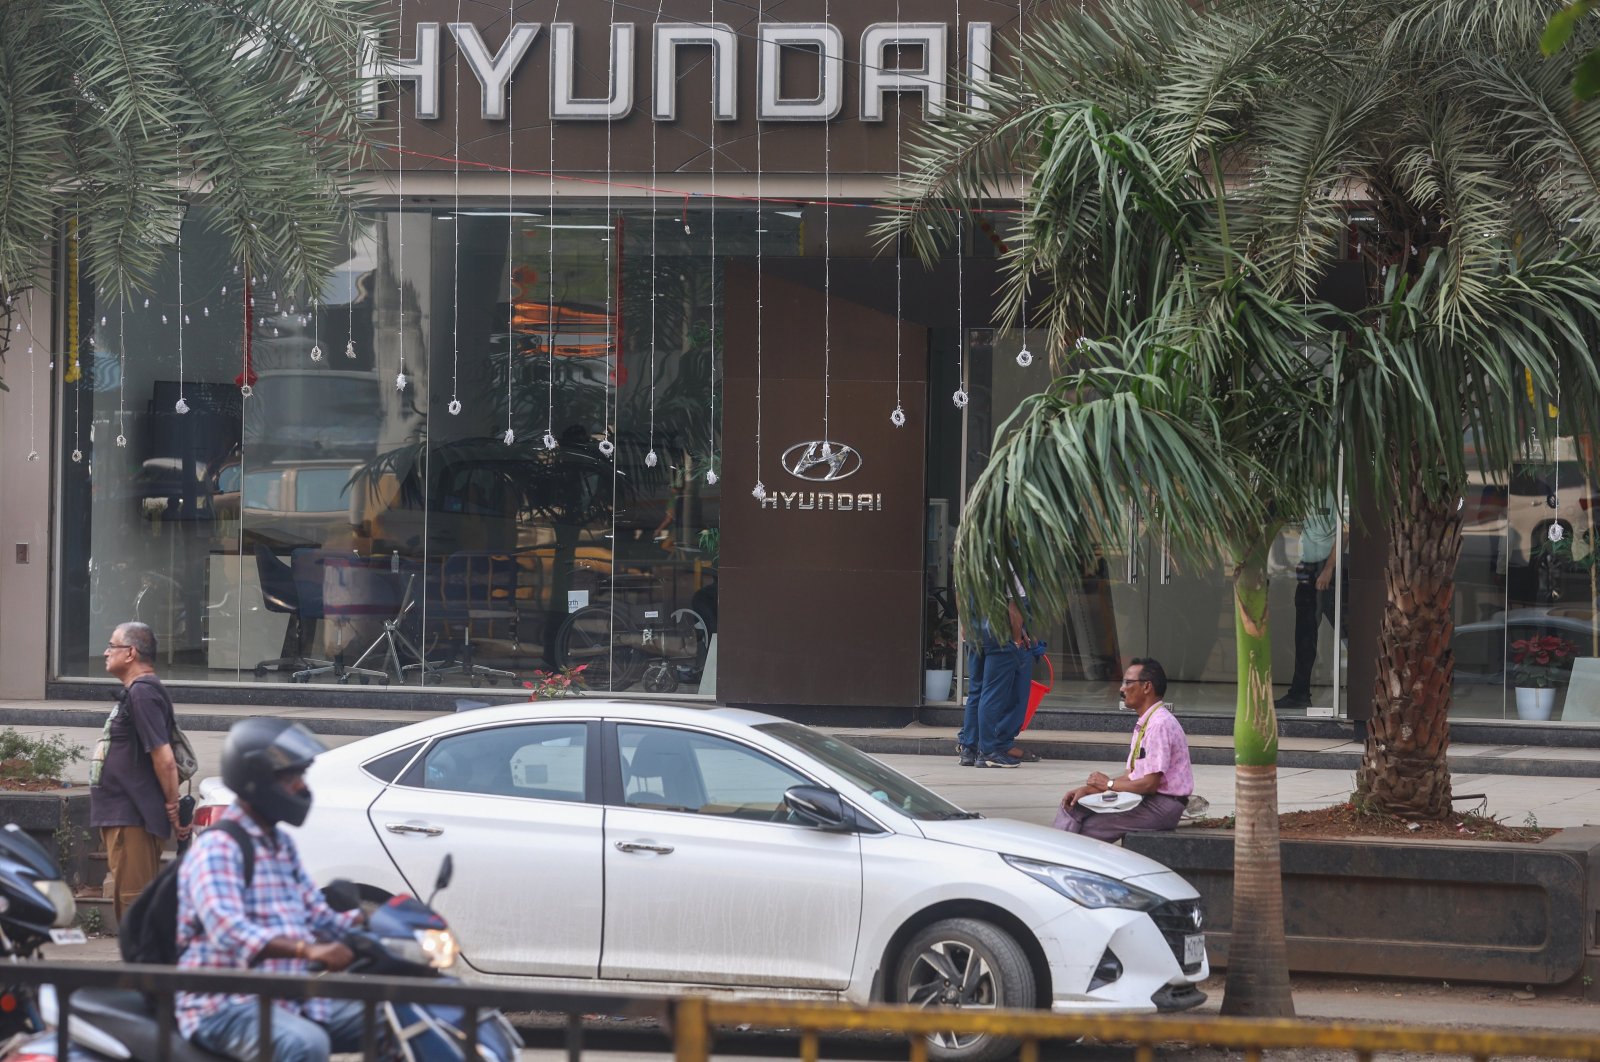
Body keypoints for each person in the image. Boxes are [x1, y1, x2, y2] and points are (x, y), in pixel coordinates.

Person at [177, 718, 363, 1062]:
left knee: (395, 1016)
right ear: (258, 780)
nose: (301, 787)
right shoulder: (220, 846)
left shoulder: (281, 845)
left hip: (287, 998)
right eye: (292, 777)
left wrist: (373, 925)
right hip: (226, 1004)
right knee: (305, 1045)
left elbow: (318, 914)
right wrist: (309, 951)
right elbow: (227, 929)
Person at [90, 621, 189, 920]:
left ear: (131, 652)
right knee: (130, 906)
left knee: (136, 911)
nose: (106, 652)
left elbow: (164, 757)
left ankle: (142, 966)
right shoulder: (137, 692)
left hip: (134, 817)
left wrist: (172, 806)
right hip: (124, 814)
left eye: (112, 646)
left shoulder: (143, 693)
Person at [1054, 658, 1193, 842]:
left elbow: (1149, 785)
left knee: (1089, 828)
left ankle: (1057, 857)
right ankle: (1056, 853)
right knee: (1074, 805)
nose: (1121, 689)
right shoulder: (1147, 722)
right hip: (1148, 800)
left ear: (1146, 687)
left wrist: (1108, 785)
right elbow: (1132, 777)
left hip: (1162, 806)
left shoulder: (1159, 724)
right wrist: (1089, 789)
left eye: (1128, 682)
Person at [1277, 495, 1346, 711]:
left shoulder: (1337, 489)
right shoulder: (1306, 489)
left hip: (1330, 571)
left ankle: (1370, 688)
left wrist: (1328, 570)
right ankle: (1299, 693)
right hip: (1307, 567)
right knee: (1305, 636)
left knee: (1347, 632)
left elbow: (1345, 530)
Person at [956, 580, 1033, 769]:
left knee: (975, 692)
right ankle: (988, 751)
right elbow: (1015, 604)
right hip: (999, 635)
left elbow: (960, 594)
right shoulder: (1008, 558)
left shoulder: (971, 555)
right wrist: (1016, 638)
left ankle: (969, 749)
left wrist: (965, 625)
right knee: (992, 693)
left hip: (975, 632)